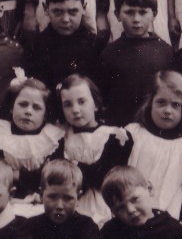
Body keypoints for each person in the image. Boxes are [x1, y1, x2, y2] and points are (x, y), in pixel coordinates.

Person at [51, 74, 133, 225]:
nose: (75, 110)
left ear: (95, 104)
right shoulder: (61, 136)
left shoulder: (113, 136)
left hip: (103, 203)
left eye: (82, 102)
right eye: (67, 104)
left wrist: (75, 168)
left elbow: (105, 176)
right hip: (69, 201)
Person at [124, 70, 182, 223]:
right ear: (150, 102)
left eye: (175, 105)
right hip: (129, 215)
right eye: (161, 102)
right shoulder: (134, 134)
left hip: (167, 223)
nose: (167, 110)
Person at [96, 0, 174, 126]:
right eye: (129, 12)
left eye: (143, 12)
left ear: (154, 15)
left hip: (155, 127)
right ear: (118, 14)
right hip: (122, 127)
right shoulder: (110, 53)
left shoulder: (165, 51)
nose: (136, 19)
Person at [0, 74, 64, 210]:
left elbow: (53, 177)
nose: (28, 111)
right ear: (11, 107)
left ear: (45, 115)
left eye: (36, 107)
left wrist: (17, 174)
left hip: (43, 201)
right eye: (23, 104)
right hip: (6, 200)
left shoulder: (52, 139)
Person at [24, 0, 106, 90]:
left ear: (84, 8)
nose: (65, 19)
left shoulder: (94, 45)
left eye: (73, 12)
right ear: (46, 9)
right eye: (57, 11)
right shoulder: (37, 45)